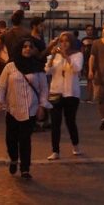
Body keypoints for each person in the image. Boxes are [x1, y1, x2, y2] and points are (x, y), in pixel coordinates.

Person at [0, 37, 51, 179]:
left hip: (30, 109)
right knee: (11, 139)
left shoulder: (38, 68)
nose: (27, 49)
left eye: (30, 47)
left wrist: (42, 106)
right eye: (24, 46)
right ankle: (13, 158)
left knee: (25, 139)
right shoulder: (10, 67)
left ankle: (25, 168)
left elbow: (44, 89)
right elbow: (1, 86)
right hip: (12, 109)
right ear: (20, 49)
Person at [44, 31, 83, 159]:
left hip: (71, 93)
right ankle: (55, 150)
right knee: (55, 122)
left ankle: (75, 145)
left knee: (70, 120)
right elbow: (47, 71)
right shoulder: (54, 56)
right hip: (56, 91)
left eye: (66, 41)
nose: (64, 43)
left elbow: (76, 68)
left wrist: (66, 56)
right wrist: (52, 57)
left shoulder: (77, 54)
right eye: (61, 41)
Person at [80, 25, 96, 102]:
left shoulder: (97, 40)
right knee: (89, 80)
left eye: (91, 29)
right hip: (86, 62)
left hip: (95, 62)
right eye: (88, 30)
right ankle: (89, 97)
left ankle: (95, 97)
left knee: (95, 80)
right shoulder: (83, 40)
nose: (89, 31)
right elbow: (82, 51)